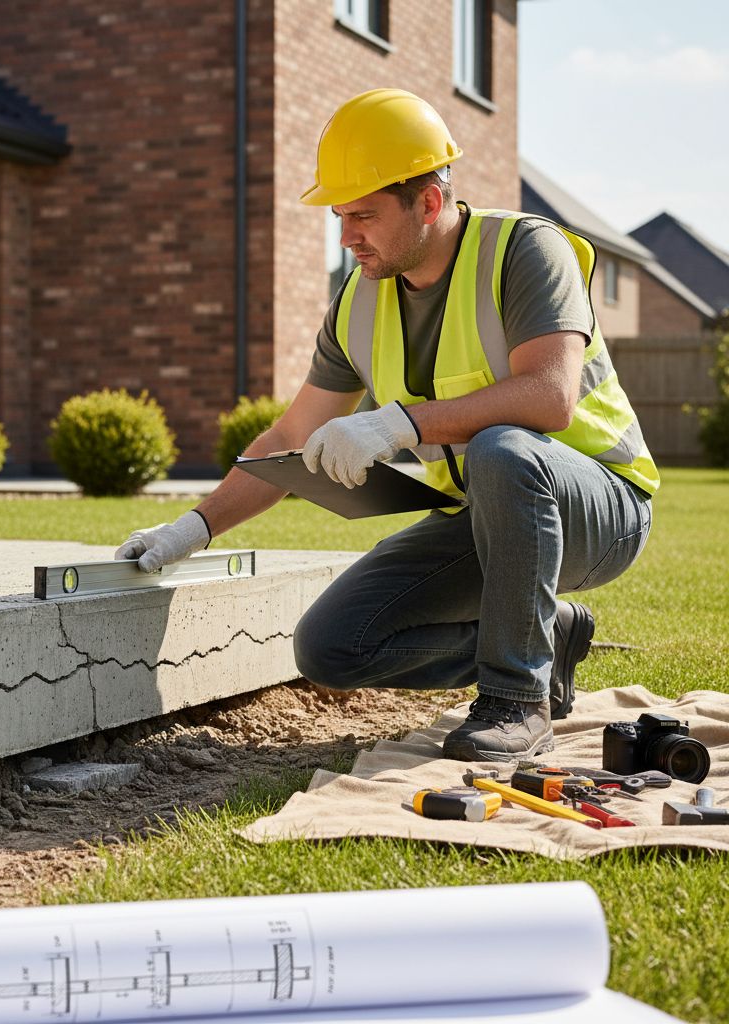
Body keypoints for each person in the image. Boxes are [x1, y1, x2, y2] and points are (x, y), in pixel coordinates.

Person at [116, 89, 658, 762]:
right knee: (333, 646)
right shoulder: (357, 306)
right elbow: (288, 437)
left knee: (505, 448)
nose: (347, 237)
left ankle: (517, 699)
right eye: (340, 217)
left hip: (600, 508)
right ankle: (550, 635)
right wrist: (190, 528)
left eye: (364, 215)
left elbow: (550, 397)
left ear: (429, 202)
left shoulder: (525, 250)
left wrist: (396, 424)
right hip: (485, 515)